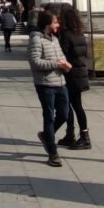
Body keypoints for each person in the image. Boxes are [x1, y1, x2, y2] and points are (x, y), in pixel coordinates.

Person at [28, 10, 71, 167]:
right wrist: (56, 64)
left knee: (65, 114)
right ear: (47, 24)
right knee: (49, 116)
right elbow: (35, 62)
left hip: (60, 82)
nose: (58, 25)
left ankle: (46, 136)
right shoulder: (36, 40)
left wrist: (65, 65)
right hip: (45, 84)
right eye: (55, 22)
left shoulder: (54, 39)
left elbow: (61, 56)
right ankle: (53, 153)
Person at [58, 5, 91, 149]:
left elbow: (63, 53)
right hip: (80, 71)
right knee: (75, 105)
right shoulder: (79, 33)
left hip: (71, 73)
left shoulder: (65, 35)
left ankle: (82, 137)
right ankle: (73, 134)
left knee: (72, 105)